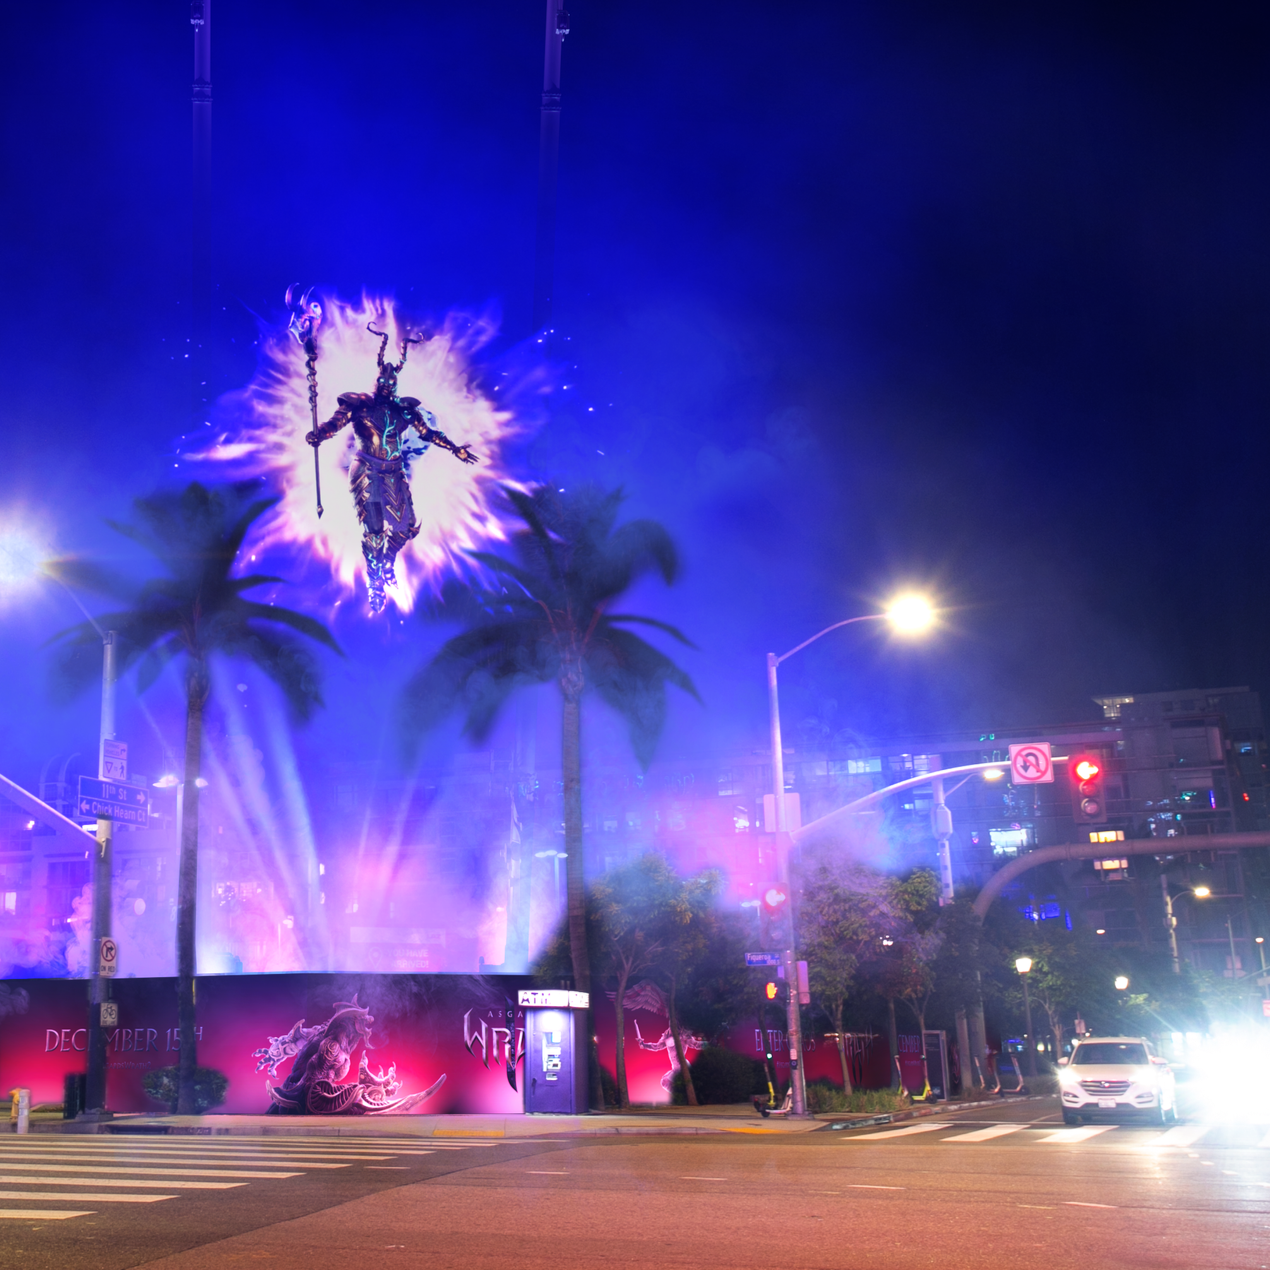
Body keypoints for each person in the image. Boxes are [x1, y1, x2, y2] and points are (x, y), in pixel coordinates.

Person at [307, 324, 477, 612]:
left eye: (391, 381)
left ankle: (386, 564)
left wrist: (454, 447)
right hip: (367, 471)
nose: (386, 384)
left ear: (396, 382)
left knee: (405, 528)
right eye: (382, 380)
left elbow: (428, 433)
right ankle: (374, 584)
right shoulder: (358, 404)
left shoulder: (404, 410)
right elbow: (335, 423)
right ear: (377, 380)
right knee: (373, 532)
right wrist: (320, 433)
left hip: (393, 472)